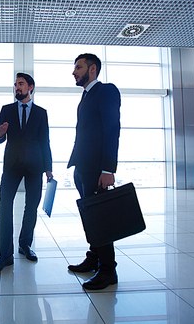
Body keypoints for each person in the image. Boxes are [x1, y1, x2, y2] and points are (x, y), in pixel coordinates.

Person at [0, 73, 53, 274]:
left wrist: (49, 169)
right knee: (4, 207)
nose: (17, 87)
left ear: (30, 87)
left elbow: (45, 141)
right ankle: (5, 256)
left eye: (21, 84)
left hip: (35, 165)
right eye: (15, 84)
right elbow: (0, 138)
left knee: (31, 207)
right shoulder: (6, 110)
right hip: (12, 165)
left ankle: (25, 245)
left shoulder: (41, 113)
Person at [67, 53, 121, 290]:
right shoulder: (86, 96)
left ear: (92, 69)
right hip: (83, 167)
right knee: (91, 216)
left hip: (97, 169)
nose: (74, 72)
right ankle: (94, 257)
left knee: (99, 219)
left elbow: (112, 129)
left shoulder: (106, 91)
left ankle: (108, 270)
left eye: (78, 67)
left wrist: (108, 168)